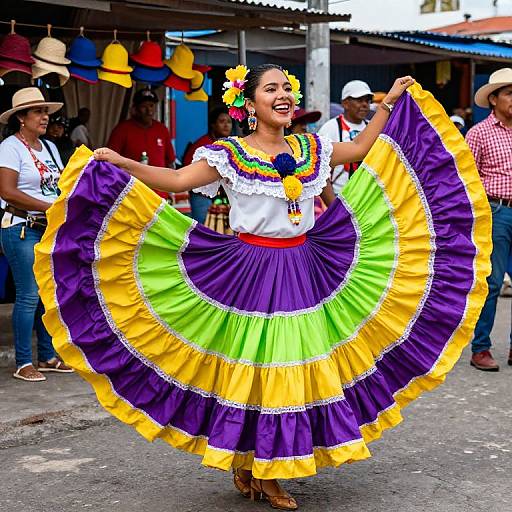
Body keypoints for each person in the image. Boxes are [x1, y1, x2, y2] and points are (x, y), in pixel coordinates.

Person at [34, 65, 490, 510]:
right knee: (257, 370)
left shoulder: (312, 147)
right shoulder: (228, 154)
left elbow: (363, 148)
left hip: (305, 266)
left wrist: (388, 103)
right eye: (271, 88)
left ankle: (260, 465)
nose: (283, 95)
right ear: (250, 102)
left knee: (290, 368)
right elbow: (174, 180)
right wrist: (120, 162)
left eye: (286, 88)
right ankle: (261, 468)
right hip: (250, 272)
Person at [0, 87, 73, 382]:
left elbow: (61, 183)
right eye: (38, 112)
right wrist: (51, 206)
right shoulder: (9, 147)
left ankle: (46, 356)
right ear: (21, 117)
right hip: (20, 228)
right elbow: (6, 191)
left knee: (48, 295)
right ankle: (23, 362)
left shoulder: (51, 148)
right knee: (29, 294)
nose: (45, 117)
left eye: (46, 112)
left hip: (47, 228)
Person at [466, 68, 512, 371]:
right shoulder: (479, 133)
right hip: (496, 212)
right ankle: (480, 348)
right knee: (492, 282)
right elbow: (467, 180)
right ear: (493, 99)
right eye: (509, 93)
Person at [108, 88, 176, 199]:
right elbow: (110, 163)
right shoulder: (122, 130)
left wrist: (171, 190)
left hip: (159, 195)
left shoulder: (162, 129)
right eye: (144, 106)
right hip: (132, 194)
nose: (149, 111)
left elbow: (170, 162)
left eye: (151, 106)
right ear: (135, 108)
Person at [318, 80, 373, 195]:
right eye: (359, 100)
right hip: (340, 198)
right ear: (345, 103)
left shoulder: (372, 128)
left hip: (367, 198)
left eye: (367, 100)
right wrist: (333, 207)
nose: (365, 104)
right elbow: (320, 170)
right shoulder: (330, 128)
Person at [182, 106, 233, 223]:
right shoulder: (203, 145)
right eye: (222, 121)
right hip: (201, 194)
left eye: (229, 122)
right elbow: (187, 169)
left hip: (224, 195)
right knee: (204, 227)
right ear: (213, 125)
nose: (226, 125)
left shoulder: (232, 145)